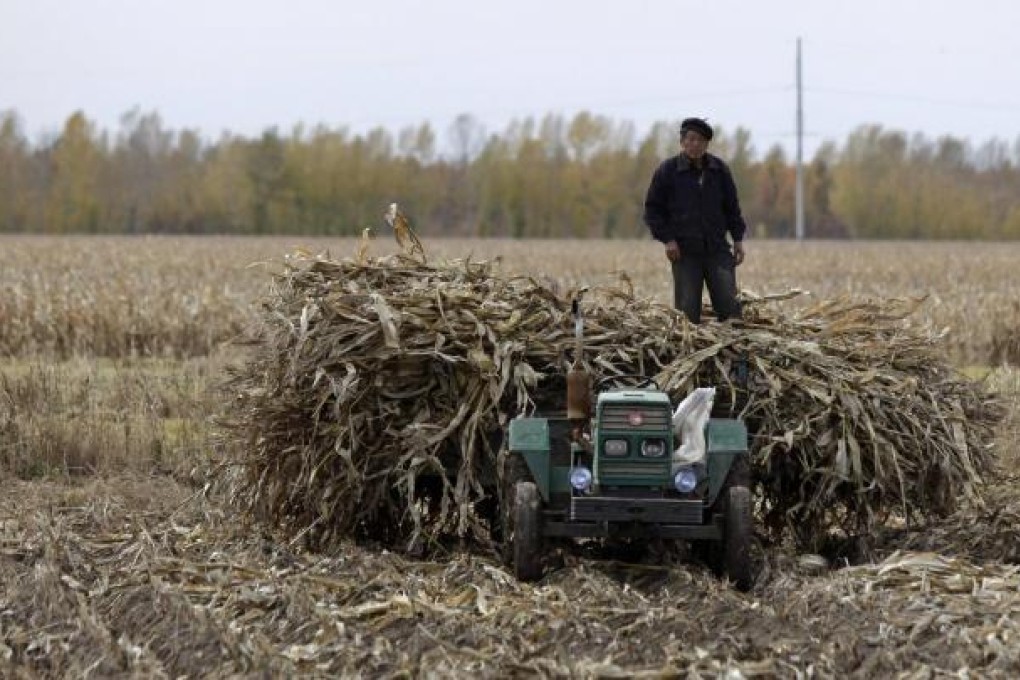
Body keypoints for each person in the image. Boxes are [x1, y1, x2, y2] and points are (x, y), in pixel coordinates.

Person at [643, 117, 747, 323]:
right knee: (686, 314)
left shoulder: (720, 170)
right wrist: (668, 240)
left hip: (717, 250)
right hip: (684, 253)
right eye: (690, 139)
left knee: (729, 308)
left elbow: (732, 208)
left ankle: (735, 353)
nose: (694, 144)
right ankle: (688, 353)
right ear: (682, 142)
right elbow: (652, 211)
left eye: (700, 140)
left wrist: (738, 239)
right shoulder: (668, 171)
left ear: (707, 144)